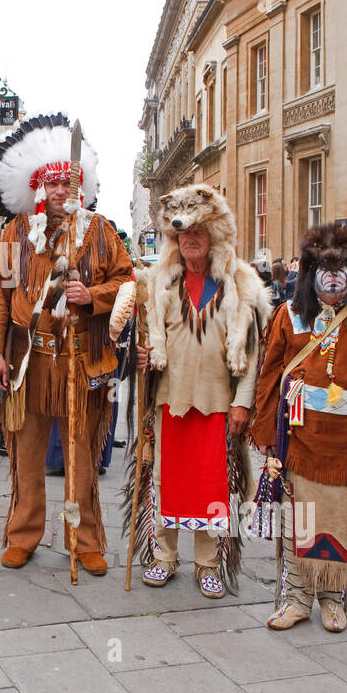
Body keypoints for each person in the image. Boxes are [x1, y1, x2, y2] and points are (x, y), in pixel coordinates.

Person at [0, 114, 132, 576]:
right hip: (29, 361)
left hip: (80, 363)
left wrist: (93, 297)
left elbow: (128, 282)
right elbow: (0, 297)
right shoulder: (15, 233)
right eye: (52, 185)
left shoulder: (100, 231)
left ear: (79, 187)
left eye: (68, 184)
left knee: (81, 458)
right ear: (39, 190)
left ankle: (84, 541)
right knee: (26, 457)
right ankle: (23, 536)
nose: (60, 192)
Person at [253, 225, 347, 631]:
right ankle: (297, 597)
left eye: (341, 268)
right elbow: (268, 376)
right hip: (300, 441)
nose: (333, 276)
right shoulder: (288, 315)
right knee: (300, 519)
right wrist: (266, 434)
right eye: (323, 267)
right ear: (309, 273)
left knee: (343, 520)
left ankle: (334, 598)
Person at [133, 183, 270, 596]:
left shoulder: (240, 285)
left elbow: (252, 352)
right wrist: (139, 357)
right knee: (164, 479)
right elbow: (141, 336)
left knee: (212, 484)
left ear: (213, 237)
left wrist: (243, 404)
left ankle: (208, 564)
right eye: (183, 235)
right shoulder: (158, 283)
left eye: (198, 234)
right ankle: (164, 556)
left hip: (218, 405)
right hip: (170, 401)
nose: (190, 241)